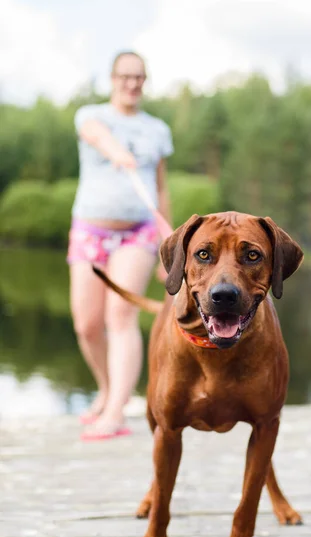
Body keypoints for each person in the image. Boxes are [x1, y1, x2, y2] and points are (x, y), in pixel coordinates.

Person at [67, 50, 173, 441]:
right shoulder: (90, 116)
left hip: (138, 232)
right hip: (89, 230)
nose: (132, 84)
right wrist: (118, 154)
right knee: (87, 324)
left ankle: (114, 413)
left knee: (120, 316)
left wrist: (169, 246)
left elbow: (161, 188)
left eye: (139, 77)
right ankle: (107, 389)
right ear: (112, 79)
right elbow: (97, 136)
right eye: (125, 76)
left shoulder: (157, 130)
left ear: (145, 81)